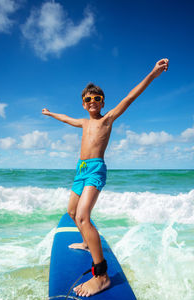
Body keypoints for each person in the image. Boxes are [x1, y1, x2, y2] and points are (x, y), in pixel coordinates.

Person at [42, 58, 169, 297]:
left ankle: (101, 276)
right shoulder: (82, 121)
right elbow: (65, 118)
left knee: (83, 216)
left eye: (96, 98)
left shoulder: (107, 119)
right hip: (80, 169)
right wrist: (50, 114)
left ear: (102, 102)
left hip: (95, 169)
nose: (92, 102)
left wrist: (153, 73)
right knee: (71, 212)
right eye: (88, 99)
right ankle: (87, 242)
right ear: (83, 104)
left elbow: (130, 97)